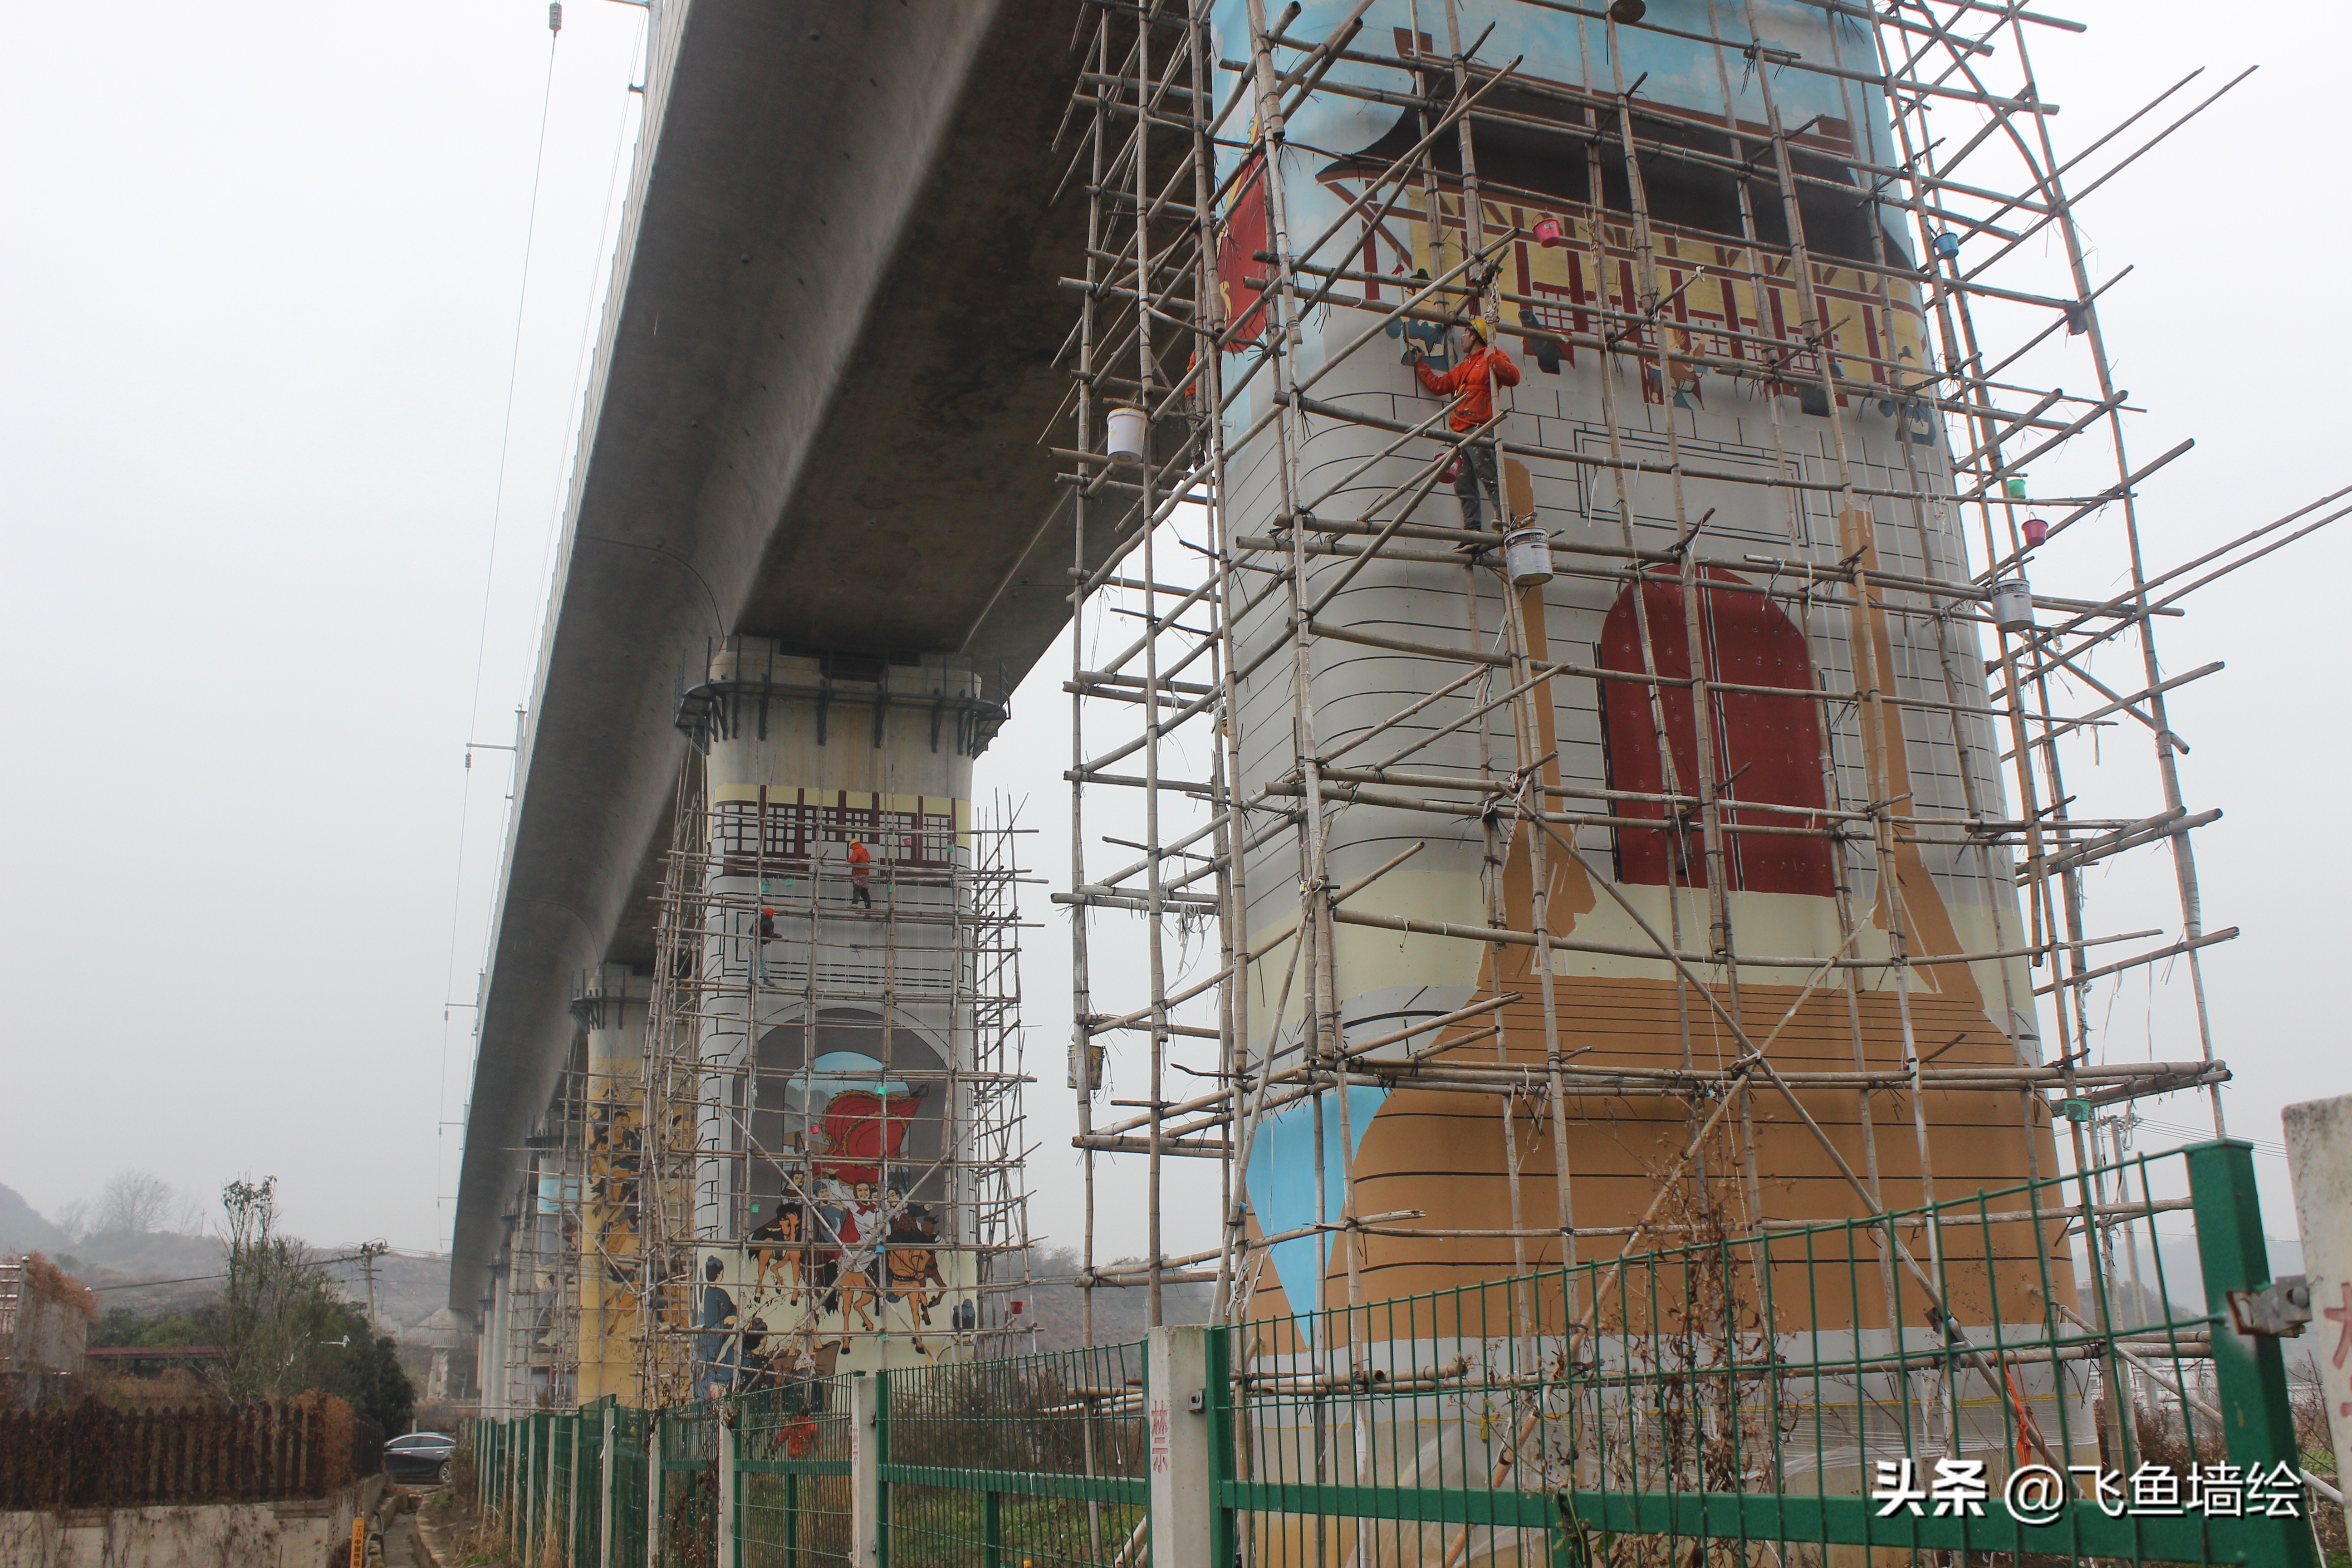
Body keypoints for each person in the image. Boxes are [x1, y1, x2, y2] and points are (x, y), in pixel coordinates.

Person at [1411, 318, 1520, 532]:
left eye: (1465, 335)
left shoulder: (1493, 356)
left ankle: (1510, 521)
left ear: (1474, 336)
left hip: (1479, 427)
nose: (1462, 339)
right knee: (1464, 485)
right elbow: (1440, 385)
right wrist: (1421, 365)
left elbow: (1513, 376)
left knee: (1489, 476)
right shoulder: (1465, 367)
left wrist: (1493, 358)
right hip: (1459, 432)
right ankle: (1472, 530)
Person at [847, 838, 872, 907]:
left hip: (858, 873)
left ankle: (855, 903)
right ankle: (868, 906)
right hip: (866, 874)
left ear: (854, 845)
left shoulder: (857, 851)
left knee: (857, 888)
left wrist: (847, 863)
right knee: (864, 891)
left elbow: (852, 859)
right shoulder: (866, 852)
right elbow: (868, 861)